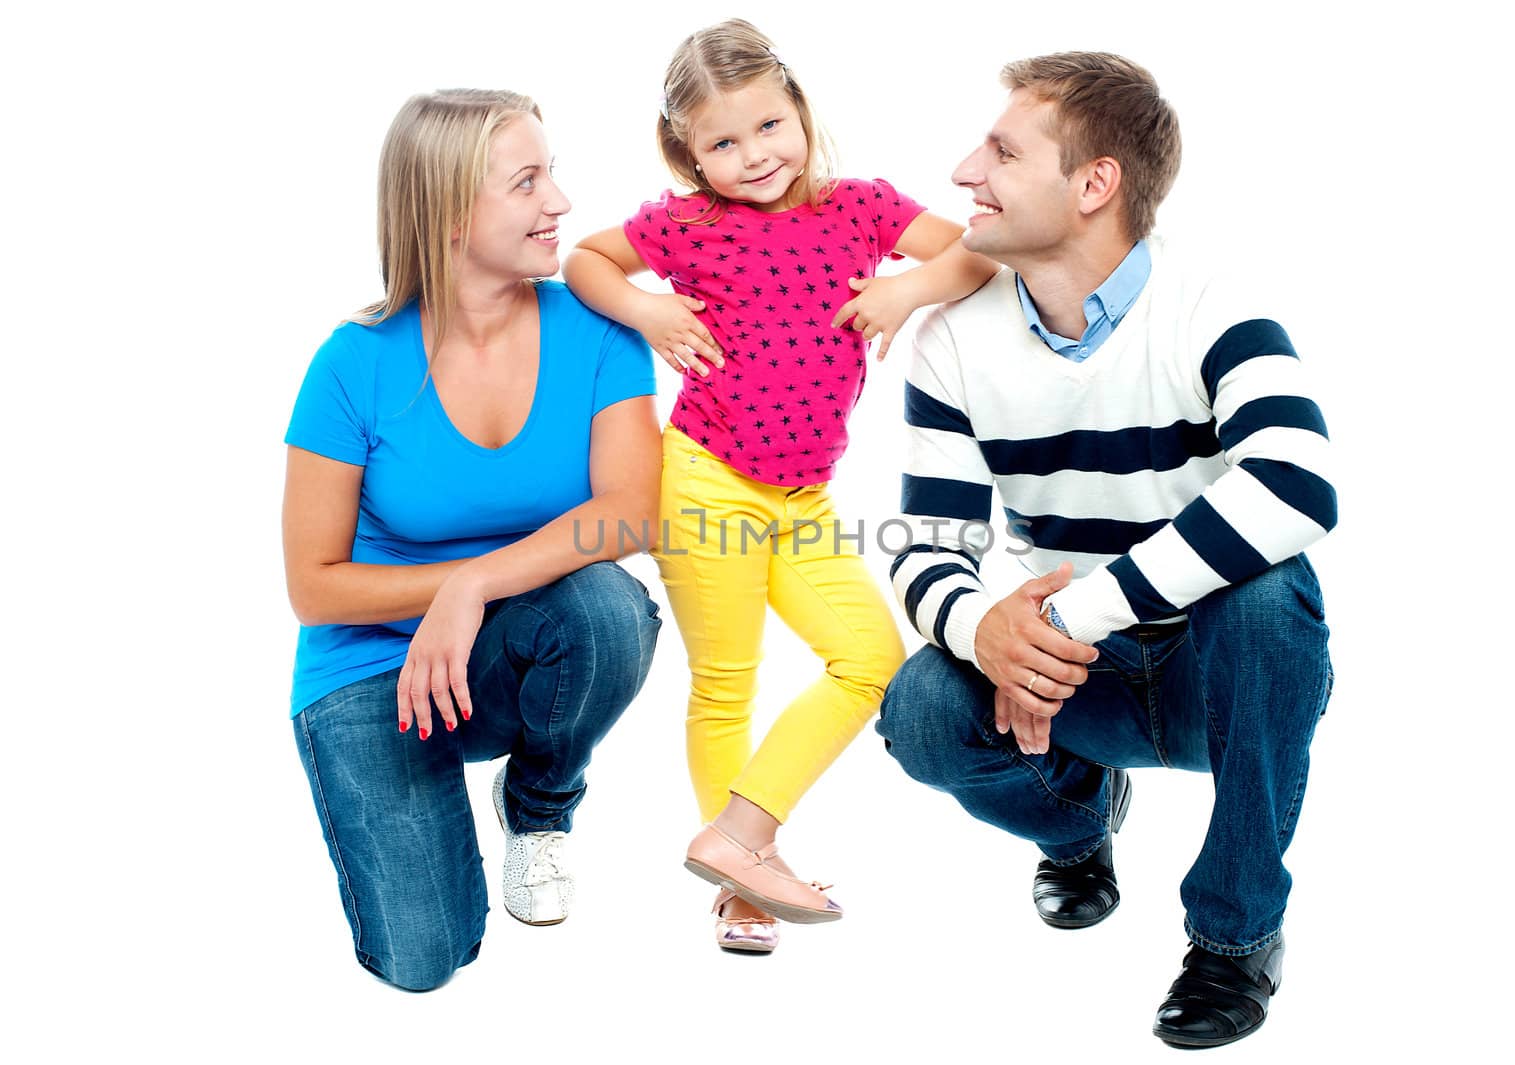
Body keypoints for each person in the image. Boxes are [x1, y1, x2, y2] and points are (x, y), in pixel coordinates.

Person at [878, 53, 1336, 1048]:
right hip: (1072, 683)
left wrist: (1065, 614)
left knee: (1265, 599)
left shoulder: (1211, 301)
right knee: (917, 709)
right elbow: (922, 546)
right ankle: (1080, 826)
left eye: (1001, 151)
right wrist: (989, 634)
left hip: (1214, 670)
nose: (965, 172)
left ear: (1094, 184)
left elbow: (1297, 485)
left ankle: (1234, 936)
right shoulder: (952, 341)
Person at [564, 19, 996, 954]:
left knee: (872, 658)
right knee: (726, 681)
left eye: (768, 126)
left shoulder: (861, 207)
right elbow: (586, 260)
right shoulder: (686, 227)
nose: (753, 155)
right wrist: (643, 305)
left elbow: (979, 251)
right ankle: (739, 885)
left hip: (803, 499)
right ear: (688, 153)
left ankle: (737, 836)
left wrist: (903, 290)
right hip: (705, 481)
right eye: (721, 142)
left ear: (799, 109)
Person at [282, 89, 662, 991]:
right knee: (425, 960)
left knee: (609, 609)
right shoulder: (354, 362)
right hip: (374, 671)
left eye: (553, 173)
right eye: (527, 182)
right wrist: (455, 590)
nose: (560, 203)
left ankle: (538, 805)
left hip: (512, 645)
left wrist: (469, 591)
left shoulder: (601, 330)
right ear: (452, 212)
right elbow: (315, 587)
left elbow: (632, 513)